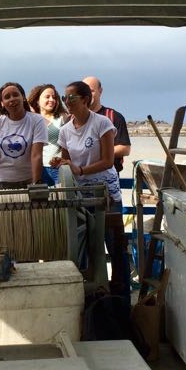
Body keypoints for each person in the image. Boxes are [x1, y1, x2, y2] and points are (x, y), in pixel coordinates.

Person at [81, 75, 132, 296]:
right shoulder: (73, 120)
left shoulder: (113, 116)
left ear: (100, 91)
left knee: (115, 243)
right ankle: (93, 293)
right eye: (85, 91)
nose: (89, 95)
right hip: (83, 190)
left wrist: (99, 155)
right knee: (88, 245)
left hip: (109, 189)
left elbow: (125, 148)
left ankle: (121, 293)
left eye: (92, 90)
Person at [52, 80, 123, 208]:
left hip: (105, 192)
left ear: (85, 100)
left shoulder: (102, 123)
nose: (66, 102)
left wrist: (80, 170)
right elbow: (67, 161)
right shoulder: (64, 130)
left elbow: (108, 161)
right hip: (80, 193)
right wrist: (60, 163)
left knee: (108, 227)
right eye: (64, 98)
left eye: (71, 98)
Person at [0, 81, 47, 189]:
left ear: (23, 97)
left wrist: (35, 184)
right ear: (2, 103)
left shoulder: (37, 120)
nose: (12, 99)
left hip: (27, 181)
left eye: (15, 95)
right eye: (7, 97)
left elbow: (36, 155)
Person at [28, 84, 67, 186]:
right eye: (47, 97)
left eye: (54, 97)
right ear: (37, 100)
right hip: (38, 168)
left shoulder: (62, 118)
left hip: (58, 168)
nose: (51, 100)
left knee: (60, 198)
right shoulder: (31, 119)